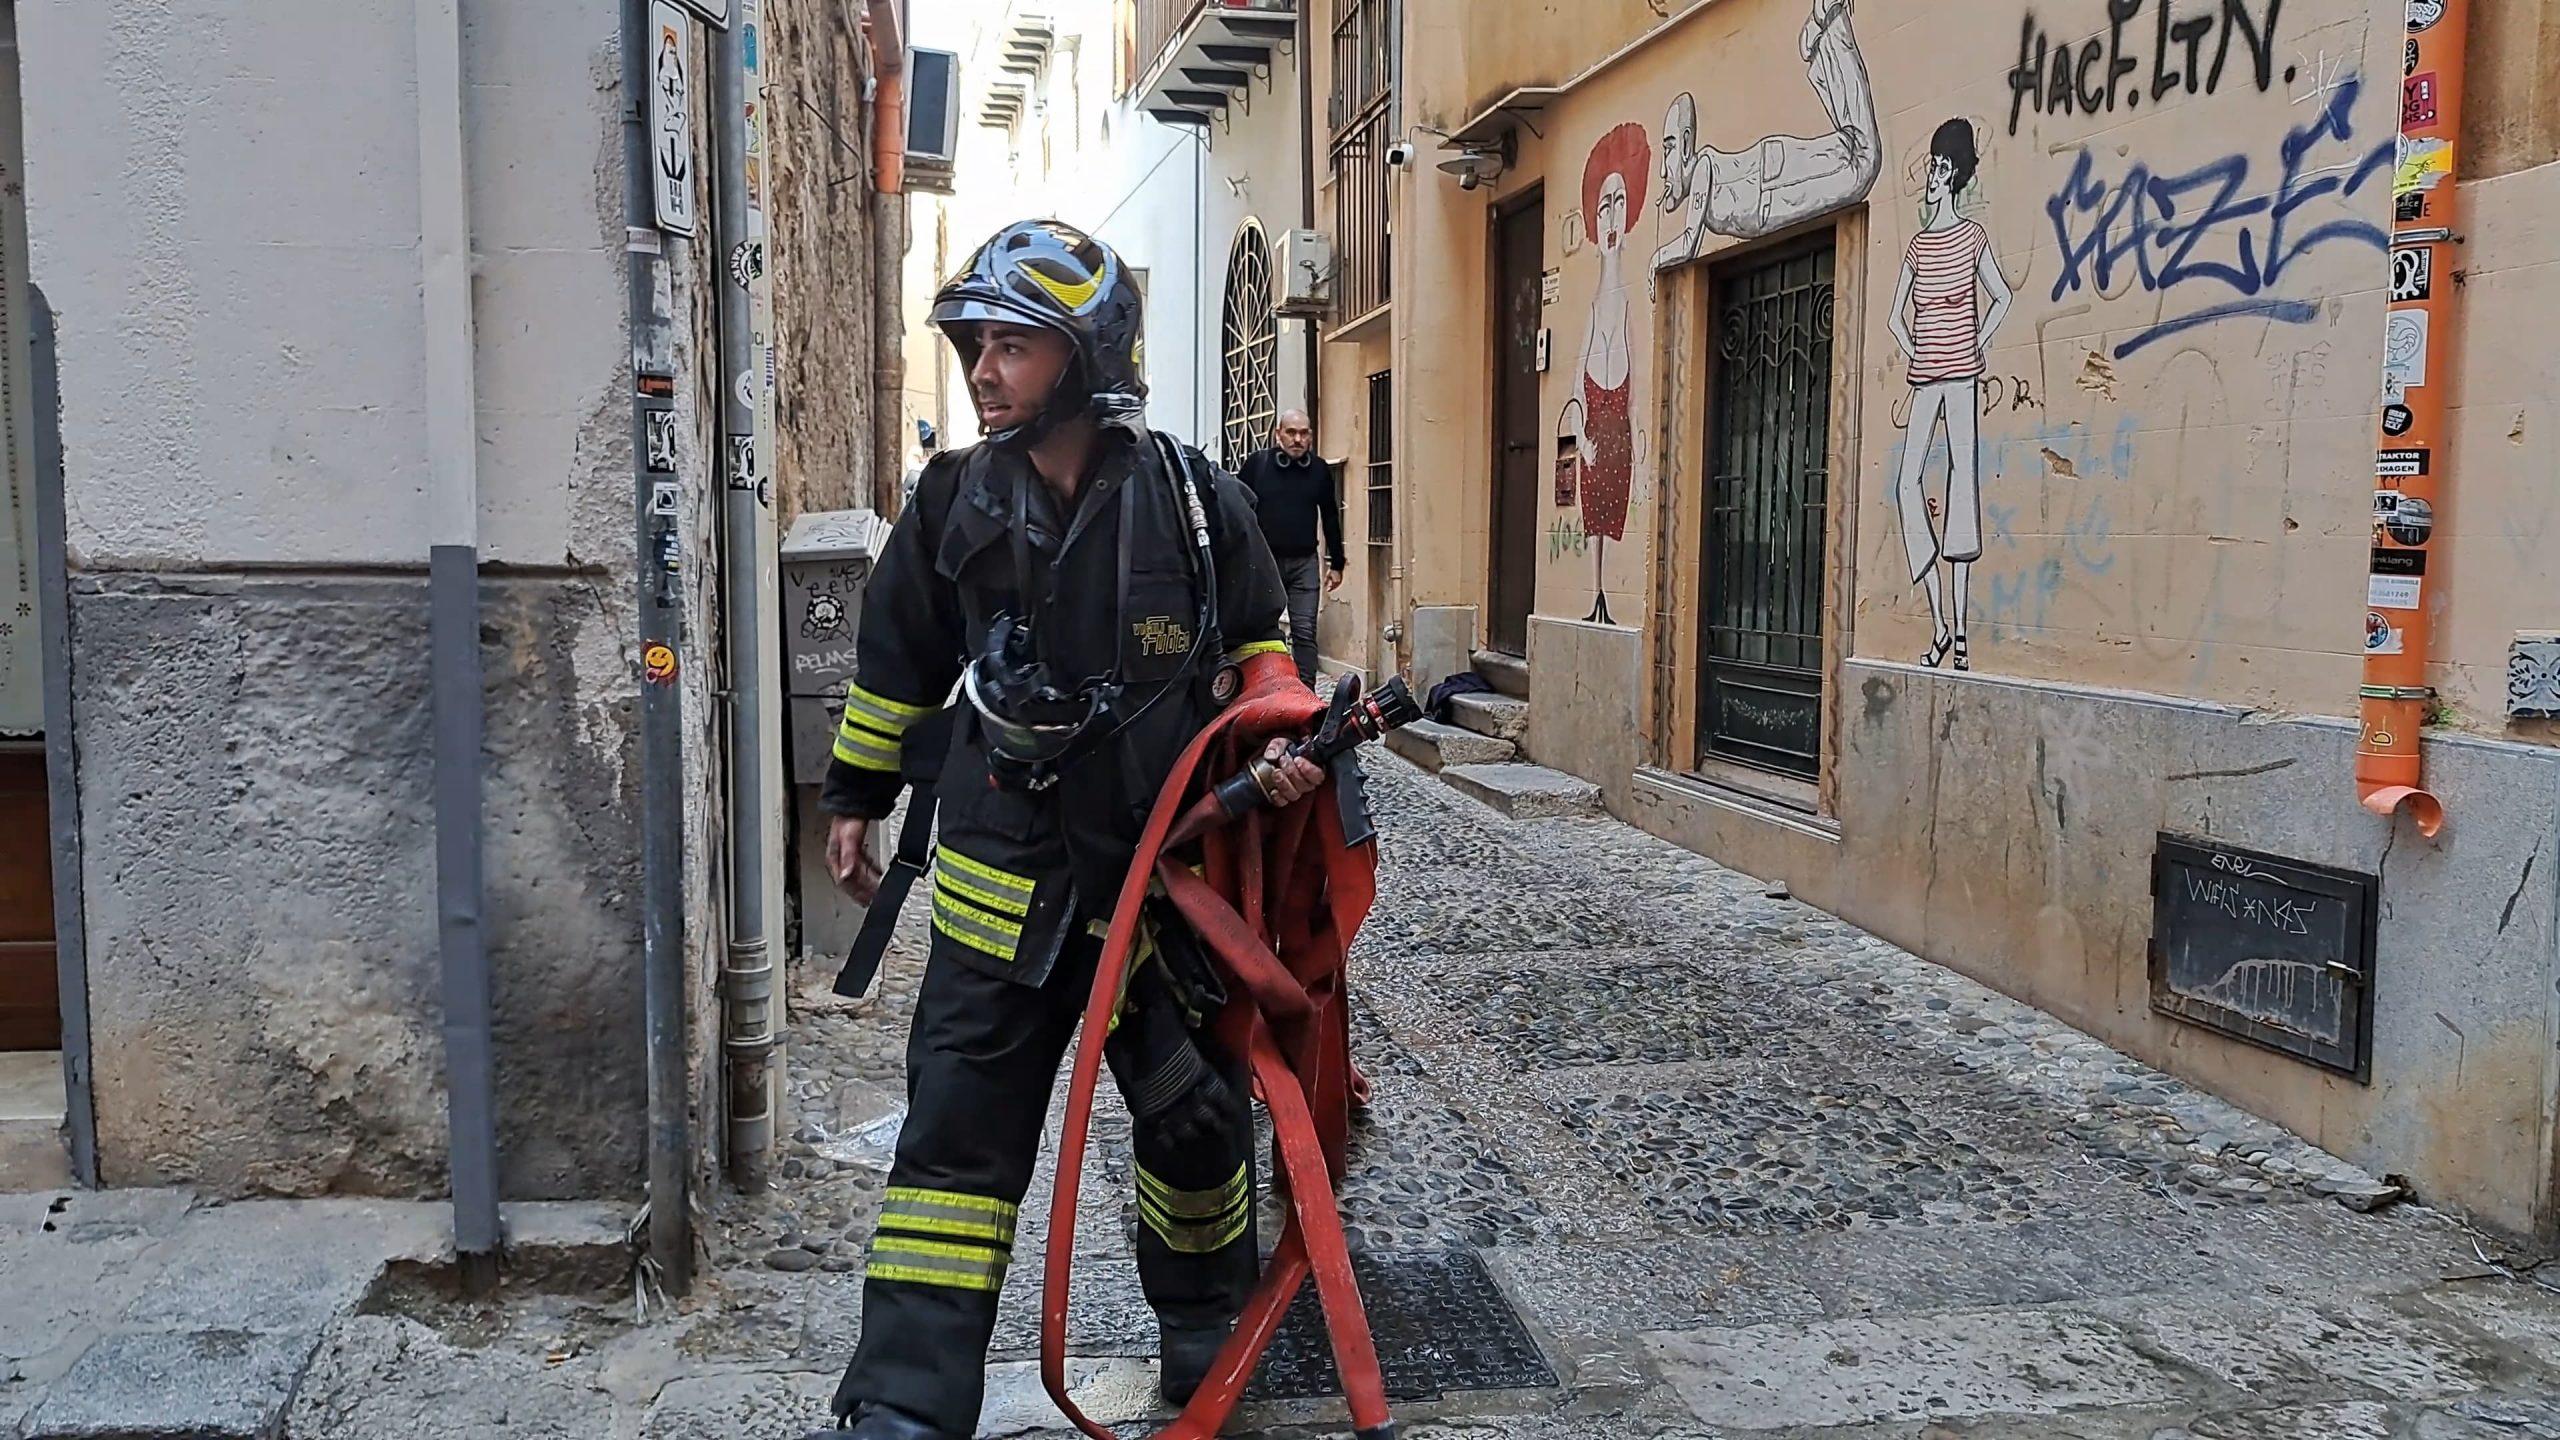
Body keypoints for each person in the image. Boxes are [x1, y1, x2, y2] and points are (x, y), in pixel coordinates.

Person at [806, 219, 1325, 1440]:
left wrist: (1283, 740)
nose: (983, 369)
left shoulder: (1199, 504)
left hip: (1163, 892)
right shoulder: (951, 505)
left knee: (1194, 1125)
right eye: (976, 344)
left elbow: (1261, 650)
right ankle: (903, 1399)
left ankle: (1202, 1331)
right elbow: (896, 664)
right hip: (1003, 896)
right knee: (953, 1147)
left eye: (1012, 345)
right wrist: (856, 796)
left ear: (1085, 354)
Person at [1888, 117, 2012, 672]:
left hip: (1961, 377)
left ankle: (1961, 634)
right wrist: (1917, 347)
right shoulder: (1917, 246)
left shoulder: (1972, 238)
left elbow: (2001, 297)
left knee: (1963, 488)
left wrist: (1975, 344)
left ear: (1956, 176)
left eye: (1942, 168)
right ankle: (1939, 620)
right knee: (1906, 481)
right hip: (1926, 378)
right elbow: (1894, 315)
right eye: (1932, 167)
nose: (1933, 177)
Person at [1235, 410, 1345, 686]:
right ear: (1278, 435)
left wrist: (1337, 563)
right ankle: (1258, 688)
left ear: (1310, 436)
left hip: (1304, 564)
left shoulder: (1318, 470)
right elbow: (1236, 510)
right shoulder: (1257, 466)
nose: (1298, 439)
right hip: (1264, 563)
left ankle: (1306, 696)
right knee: (1259, 631)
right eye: (1291, 432)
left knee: (1305, 631)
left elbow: (1330, 515)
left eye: (1304, 433)